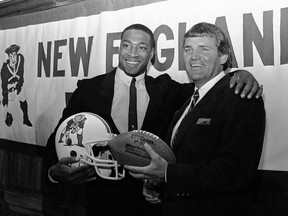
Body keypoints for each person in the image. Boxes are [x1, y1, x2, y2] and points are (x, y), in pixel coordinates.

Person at [44, 23, 263, 216]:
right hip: (102, 203)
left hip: (153, 206)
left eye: (142, 47)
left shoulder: (166, 89)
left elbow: (212, 86)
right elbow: (59, 137)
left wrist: (238, 74)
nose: (133, 53)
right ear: (118, 49)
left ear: (152, 54)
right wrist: (53, 173)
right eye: (127, 45)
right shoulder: (88, 89)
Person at [125, 22, 266, 216]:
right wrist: (157, 182)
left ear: (223, 56)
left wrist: (167, 174)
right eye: (188, 49)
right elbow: (181, 158)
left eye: (204, 49)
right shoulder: (188, 102)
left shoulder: (241, 97)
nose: (194, 57)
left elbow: (237, 171)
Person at [1, 44, 32, 127]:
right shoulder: (5, 68)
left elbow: (21, 74)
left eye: (14, 55)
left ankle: (25, 118)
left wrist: (19, 85)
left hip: (18, 85)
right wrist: (5, 98)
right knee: (7, 108)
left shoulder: (20, 60)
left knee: (23, 99)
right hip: (9, 89)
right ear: (8, 57)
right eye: (10, 56)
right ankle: (7, 115)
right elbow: (4, 86)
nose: (13, 58)